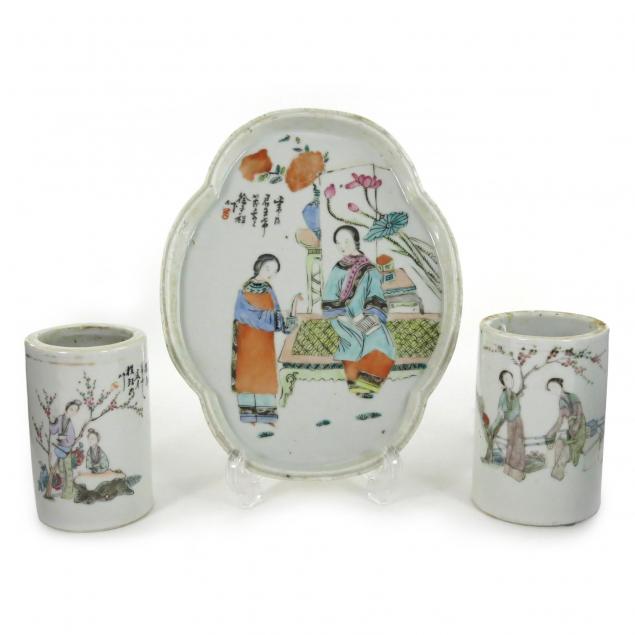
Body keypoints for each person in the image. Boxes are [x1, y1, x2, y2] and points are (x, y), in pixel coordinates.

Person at [322, 226, 395, 398]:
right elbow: (329, 296)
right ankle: (356, 385)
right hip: (342, 317)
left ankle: (368, 386)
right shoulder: (338, 268)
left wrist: (370, 315)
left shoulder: (369, 268)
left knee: (380, 339)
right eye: (338, 243)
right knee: (353, 340)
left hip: (366, 316)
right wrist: (342, 315)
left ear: (355, 240)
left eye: (346, 241)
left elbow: (376, 294)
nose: (342, 246)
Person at [231, 254, 290, 425]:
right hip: (247, 339)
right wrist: (271, 318)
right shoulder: (244, 289)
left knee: (265, 372)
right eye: (267, 268)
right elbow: (243, 313)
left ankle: (266, 413)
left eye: (274, 271)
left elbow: (276, 312)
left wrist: (284, 320)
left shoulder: (269, 289)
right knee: (247, 372)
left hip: (265, 341)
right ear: (258, 266)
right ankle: (248, 413)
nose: (270, 273)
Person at [545, 378, 587, 480]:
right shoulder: (561, 402)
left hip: (580, 429)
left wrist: (576, 425)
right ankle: (558, 475)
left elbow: (579, 413)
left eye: (555, 387)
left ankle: (557, 475)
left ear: (561, 386)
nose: (554, 390)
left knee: (565, 452)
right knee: (558, 443)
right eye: (551, 389)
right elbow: (559, 421)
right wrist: (550, 433)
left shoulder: (573, 396)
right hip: (571, 430)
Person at [492, 371, 526, 481]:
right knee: (512, 444)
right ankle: (511, 469)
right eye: (506, 379)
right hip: (511, 422)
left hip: (518, 422)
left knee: (519, 444)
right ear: (503, 383)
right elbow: (500, 409)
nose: (510, 381)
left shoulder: (513, 394)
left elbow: (516, 407)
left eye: (510, 378)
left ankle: (518, 470)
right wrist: (501, 414)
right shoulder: (503, 395)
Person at [48, 400, 80, 499]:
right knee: (62, 470)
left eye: (75, 410)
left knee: (68, 471)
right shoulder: (60, 419)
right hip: (60, 449)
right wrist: (52, 422)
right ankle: (64, 491)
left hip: (66, 450)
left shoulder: (70, 423)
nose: (73, 412)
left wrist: (64, 438)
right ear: (66, 409)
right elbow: (53, 431)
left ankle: (69, 492)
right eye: (71, 409)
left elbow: (72, 439)